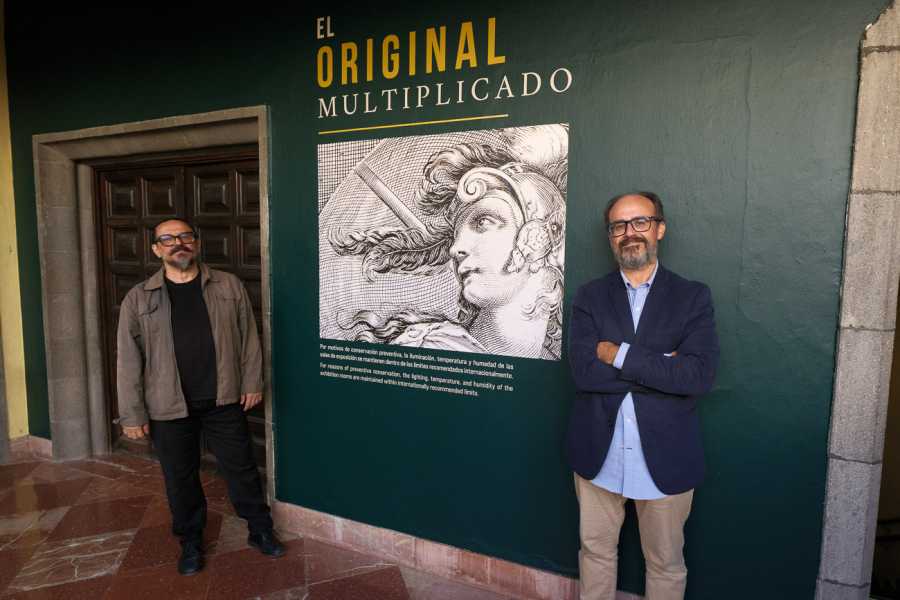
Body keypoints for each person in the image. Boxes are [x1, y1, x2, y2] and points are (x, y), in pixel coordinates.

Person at [566, 192, 719, 600]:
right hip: (598, 455)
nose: (629, 233)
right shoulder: (589, 297)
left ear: (659, 229)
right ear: (610, 236)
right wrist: (662, 369)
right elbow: (583, 373)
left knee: (665, 564)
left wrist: (616, 354)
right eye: (619, 225)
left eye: (640, 222)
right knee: (595, 554)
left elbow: (698, 376)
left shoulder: (692, 297)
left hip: (667, 457)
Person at [116, 218, 284, 576]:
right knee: (180, 479)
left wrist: (252, 382)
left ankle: (260, 529)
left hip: (223, 399)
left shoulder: (228, 285)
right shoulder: (138, 297)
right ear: (156, 249)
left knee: (242, 470)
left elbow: (249, 338)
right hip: (168, 405)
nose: (178, 243)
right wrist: (132, 414)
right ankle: (190, 541)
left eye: (185, 236)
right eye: (168, 239)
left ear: (197, 242)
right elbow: (128, 361)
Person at [329, 126, 567, 360]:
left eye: (483, 221)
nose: (455, 248)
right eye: (455, 234)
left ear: (543, 239)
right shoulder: (431, 348)